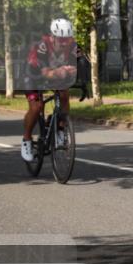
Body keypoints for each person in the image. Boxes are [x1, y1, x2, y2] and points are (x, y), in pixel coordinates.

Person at [21, 18, 84, 161]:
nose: (64, 42)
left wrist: (82, 81)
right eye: (61, 39)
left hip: (56, 74)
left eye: (67, 38)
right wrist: (60, 71)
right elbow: (45, 73)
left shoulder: (73, 46)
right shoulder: (42, 46)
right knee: (36, 107)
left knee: (64, 95)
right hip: (33, 75)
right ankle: (26, 139)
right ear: (53, 36)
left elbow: (83, 64)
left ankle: (60, 129)